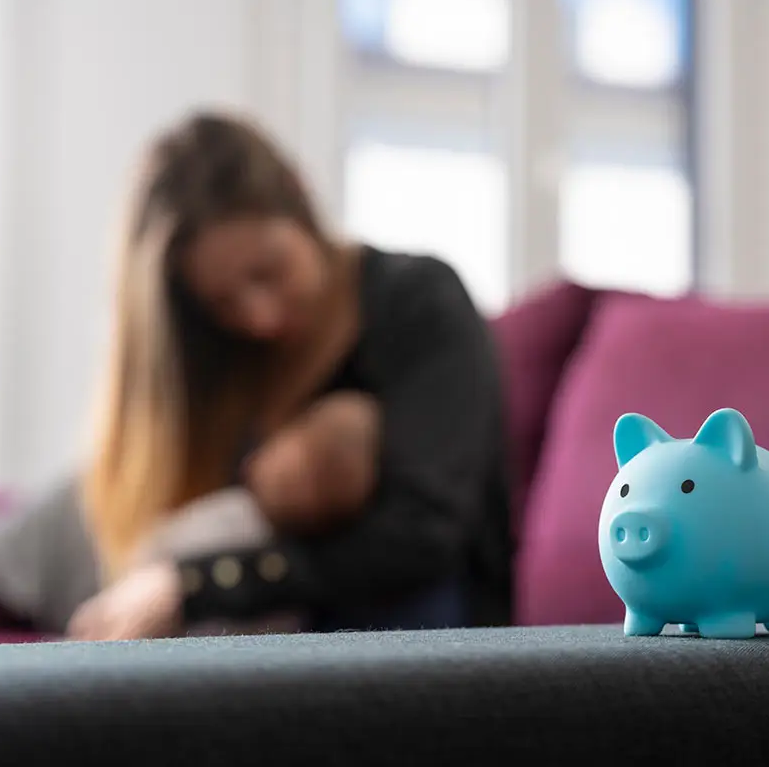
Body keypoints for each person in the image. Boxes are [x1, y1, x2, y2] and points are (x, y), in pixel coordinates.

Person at [67, 111, 512, 641]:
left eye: (269, 272)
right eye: (223, 302)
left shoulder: (416, 302)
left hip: (425, 624)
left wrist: (200, 585)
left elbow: (423, 537)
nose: (261, 317)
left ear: (299, 196)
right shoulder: (217, 354)